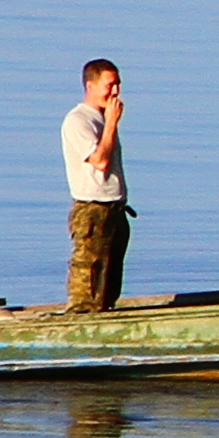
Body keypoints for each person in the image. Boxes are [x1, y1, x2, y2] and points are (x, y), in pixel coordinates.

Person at [62, 59, 131, 311]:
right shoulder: (78, 120)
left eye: (118, 85)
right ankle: (81, 325)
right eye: (109, 85)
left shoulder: (102, 119)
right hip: (93, 211)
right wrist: (112, 122)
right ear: (91, 86)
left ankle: (106, 318)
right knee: (87, 286)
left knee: (109, 284)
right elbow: (100, 161)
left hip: (115, 209)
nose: (115, 92)